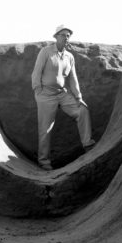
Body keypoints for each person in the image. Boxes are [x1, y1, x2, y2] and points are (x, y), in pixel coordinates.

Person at [30, 24, 94, 170]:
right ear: (56, 37)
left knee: (82, 110)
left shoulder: (69, 56)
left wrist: (78, 97)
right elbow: (36, 73)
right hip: (45, 94)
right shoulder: (45, 52)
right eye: (63, 35)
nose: (66, 38)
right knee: (45, 129)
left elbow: (73, 78)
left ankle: (88, 144)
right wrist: (37, 90)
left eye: (68, 35)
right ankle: (44, 162)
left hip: (62, 93)